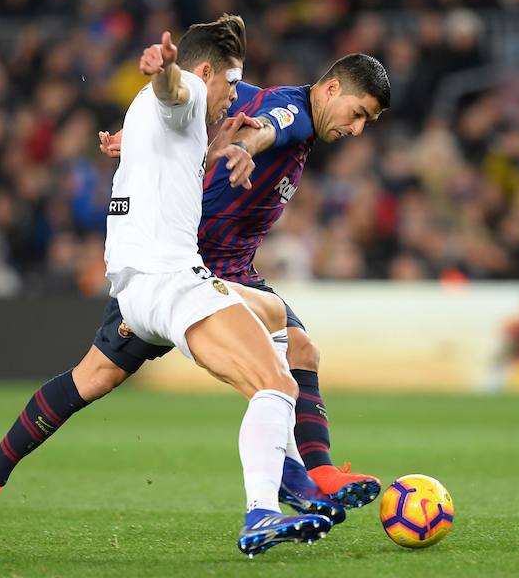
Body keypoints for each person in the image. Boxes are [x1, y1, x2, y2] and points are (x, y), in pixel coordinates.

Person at [0, 15, 335, 557]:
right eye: (231, 85)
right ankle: (263, 509)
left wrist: (194, 135)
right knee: (277, 386)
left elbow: (173, 124)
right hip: (169, 283)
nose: (234, 98)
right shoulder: (191, 93)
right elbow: (178, 93)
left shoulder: (163, 119)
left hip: (140, 288)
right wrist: (167, 72)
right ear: (206, 73)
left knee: (267, 318)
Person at [97, 52, 391, 506]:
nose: (357, 130)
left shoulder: (270, 104)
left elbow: (220, 105)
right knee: (96, 377)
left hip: (233, 267)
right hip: (187, 267)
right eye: (359, 114)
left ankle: (317, 475)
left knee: (300, 351)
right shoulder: (294, 115)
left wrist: (139, 137)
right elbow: (270, 126)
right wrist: (243, 148)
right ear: (333, 89)